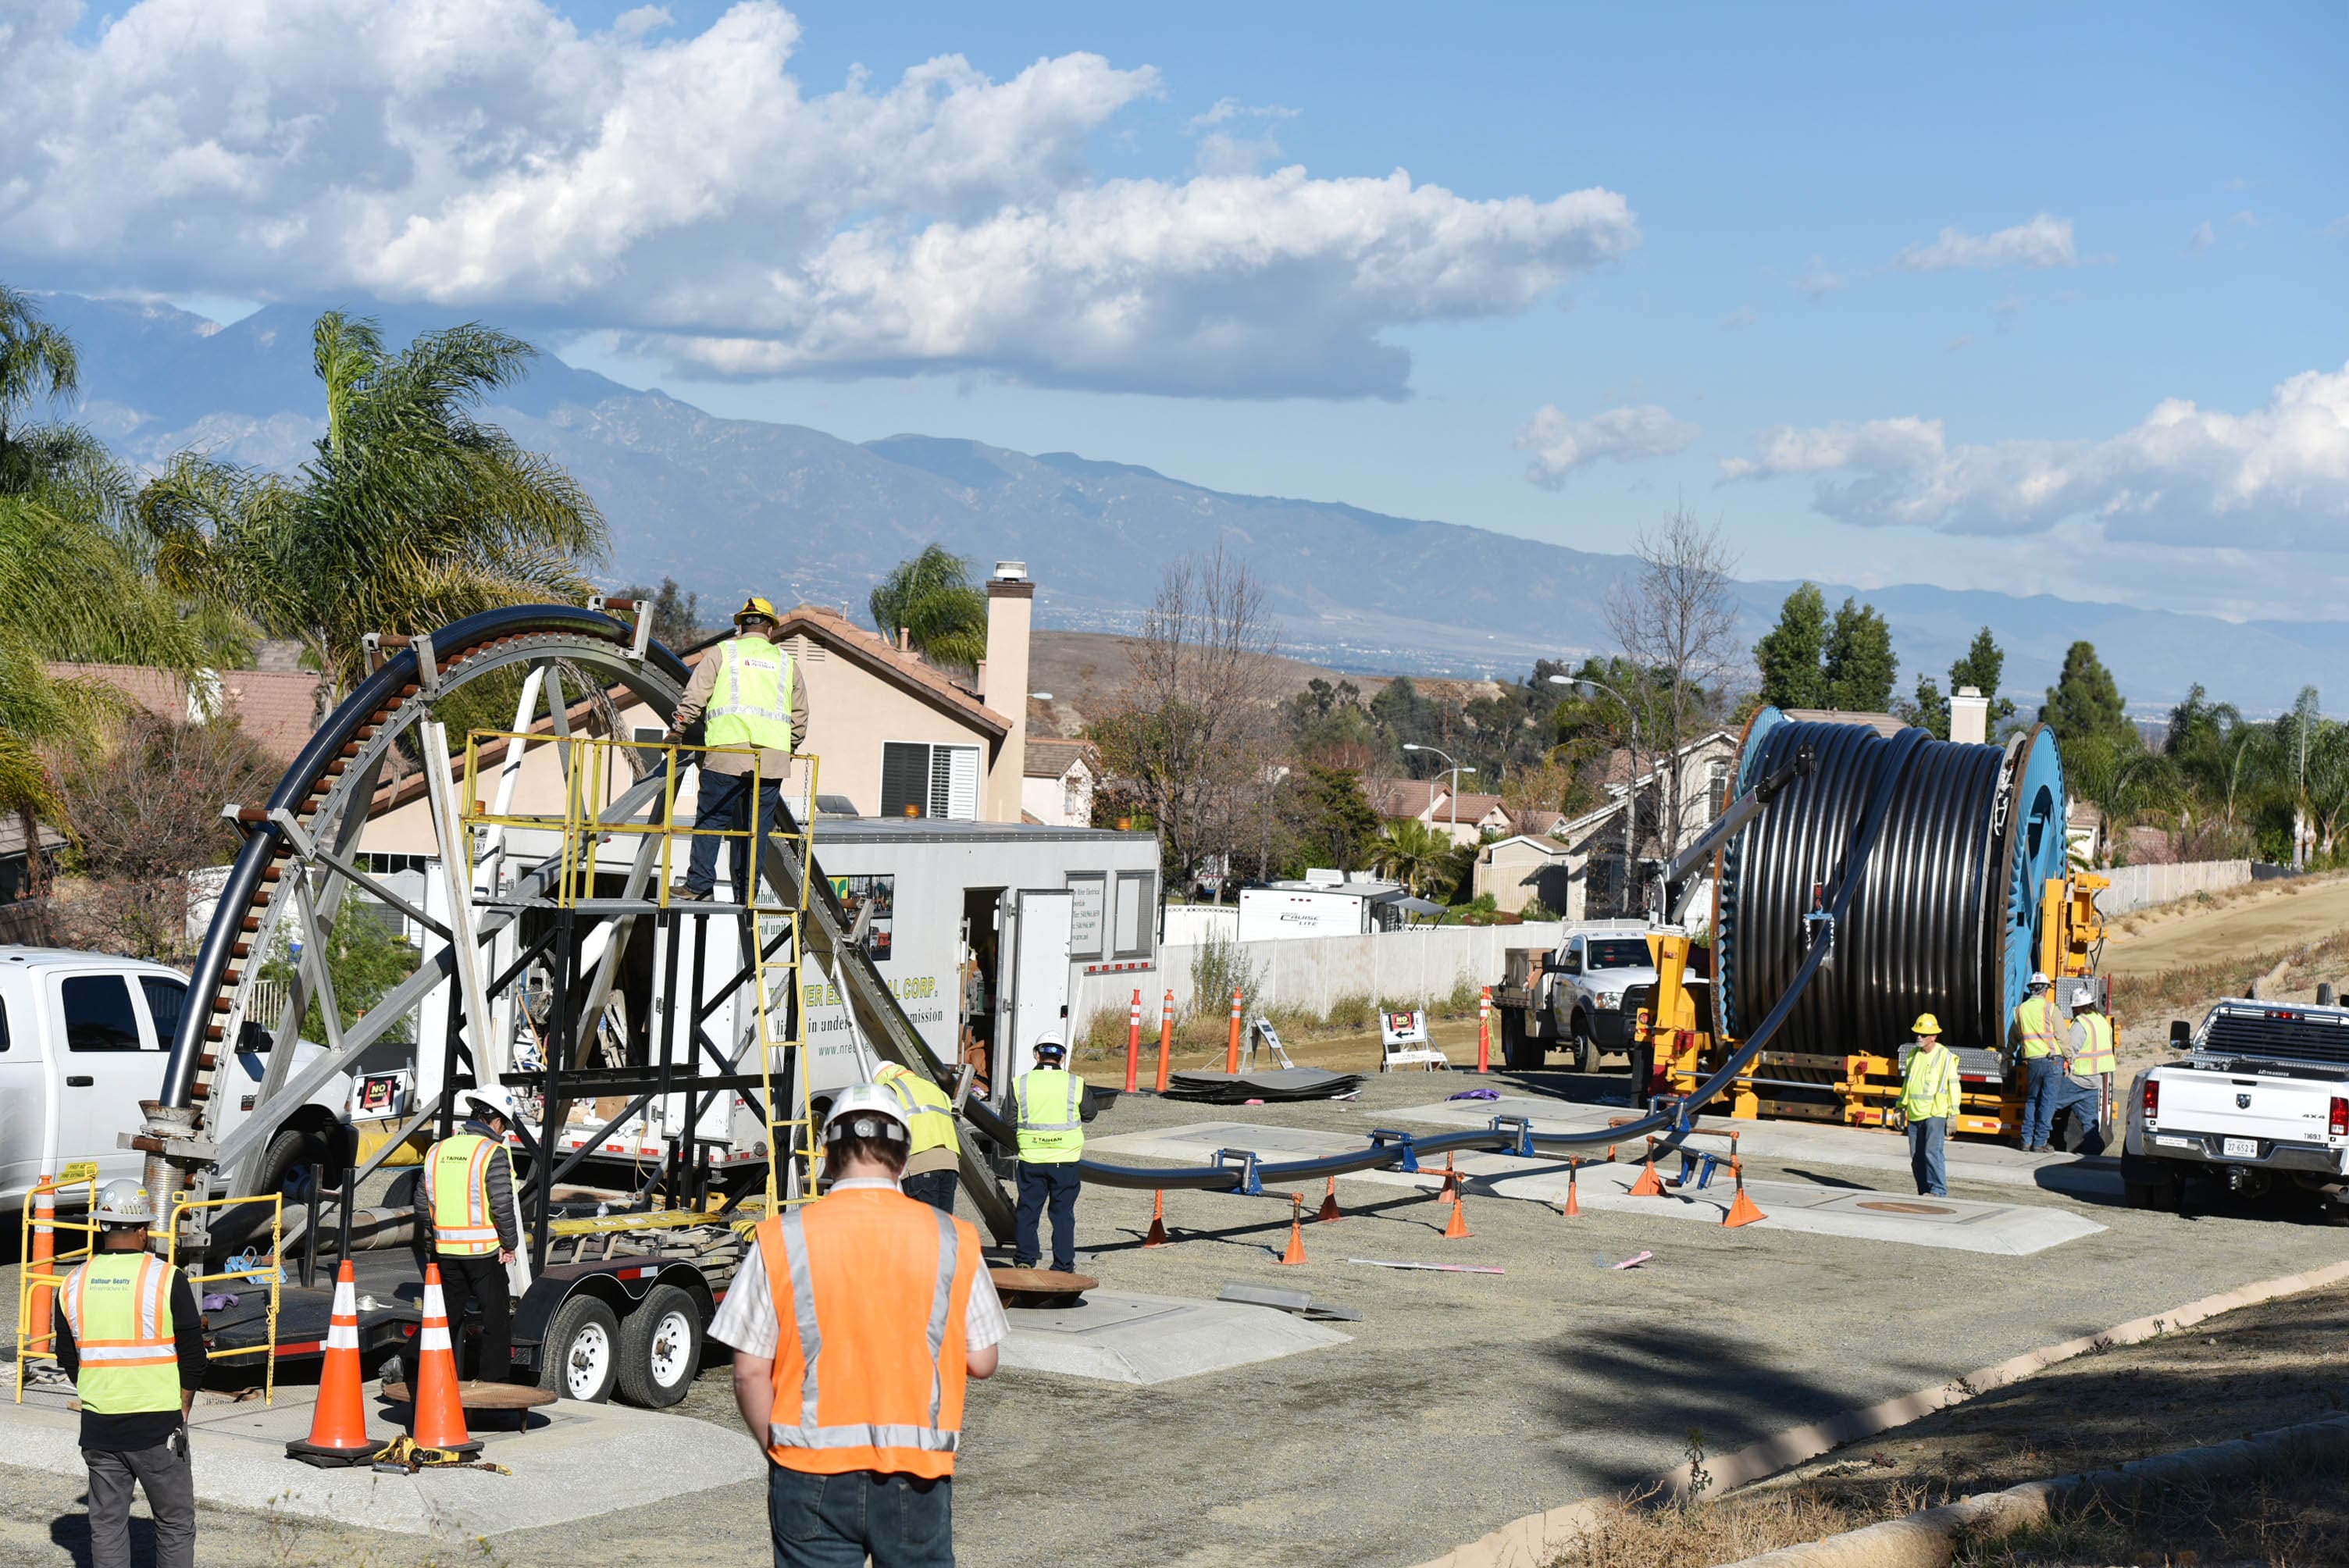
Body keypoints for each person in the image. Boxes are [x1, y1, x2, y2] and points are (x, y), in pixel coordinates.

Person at [710, 1085, 1004, 1568]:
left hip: (809, 1472)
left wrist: (782, 1453)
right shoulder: (954, 1238)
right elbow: (983, 1360)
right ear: (904, 1160)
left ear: (826, 1156)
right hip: (917, 1473)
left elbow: (748, 1372)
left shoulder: (781, 1238)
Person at [53, 1180, 206, 1568]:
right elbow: (193, 1356)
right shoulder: (166, 1278)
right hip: (159, 1426)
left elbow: (69, 1358)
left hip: (100, 1426)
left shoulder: (72, 1283)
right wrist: (183, 1408)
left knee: (106, 1525)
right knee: (174, 1523)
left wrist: (101, 1389)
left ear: (102, 1225)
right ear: (142, 1230)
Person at [668, 596, 809, 903]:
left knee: (712, 820)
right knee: (756, 829)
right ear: (770, 629)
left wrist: (679, 727)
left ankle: (698, 885)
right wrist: (789, 747)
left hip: (726, 755)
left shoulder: (723, 653)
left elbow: (696, 694)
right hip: (771, 760)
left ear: (741, 627)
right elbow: (800, 718)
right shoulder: (787, 664)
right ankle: (747, 894)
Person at [421, 1092, 522, 1382]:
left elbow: (421, 1202)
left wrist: (438, 1235)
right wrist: (509, 1244)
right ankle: (492, 1384)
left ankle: (431, 1376)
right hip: (483, 1254)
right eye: (504, 1127)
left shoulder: (437, 1151)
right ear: (496, 1121)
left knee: (446, 1318)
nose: (503, 1134)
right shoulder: (492, 1152)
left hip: (445, 1252)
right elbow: (502, 1204)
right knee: (497, 1320)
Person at [1012, 1039, 1085, 1274]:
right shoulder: (1075, 1083)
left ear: (1037, 1055)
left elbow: (1007, 1119)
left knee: (1028, 1212)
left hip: (1031, 1159)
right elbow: (1091, 1112)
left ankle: (1025, 1260)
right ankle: (1063, 1266)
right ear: (1062, 1057)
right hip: (1065, 1160)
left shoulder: (1020, 1083)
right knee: (1062, 1214)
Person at [875, 1060, 962, 1215]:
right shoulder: (932, 1087)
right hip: (950, 1163)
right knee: (944, 1227)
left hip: (920, 1164)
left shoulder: (891, 1089)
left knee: (925, 1229)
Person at [1898, 1014, 1959, 1198]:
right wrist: (1900, 1106)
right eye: (1918, 1033)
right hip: (1915, 1112)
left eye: (1924, 1034)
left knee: (1932, 1152)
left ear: (1934, 1037)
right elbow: (1908, 1083)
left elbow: (1953, 1085)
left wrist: (1953, 1114)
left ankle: (1938, 1191)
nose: (1919, 1037)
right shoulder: (1913, 1056)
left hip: (1935, 1112)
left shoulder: (1945, 1056)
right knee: (1917, 1158)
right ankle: (1924, 1191)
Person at [2046, 989, 2112, 1153]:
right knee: (2089, 1121)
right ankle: (2094, 1153)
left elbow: (2069, 1048)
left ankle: (2038, 1140)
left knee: (2049, 1103)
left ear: (2078, 1008)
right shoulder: (2102, 1021)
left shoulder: (2081, 1023)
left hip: (2078, 1078)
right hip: (2095, 1080)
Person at [2012, 971, 2067, 1152]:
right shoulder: (2051, 1009)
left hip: (2033, 1063)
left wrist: (2006, 1055)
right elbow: (2062, 1037)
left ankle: (2026, 1141)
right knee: (2048, 1102)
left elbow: (2014, 1038)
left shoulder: (2020, 1010)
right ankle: (2040, 1142)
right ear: (2045, 990)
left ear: (2031, 990)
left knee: (2032, 1100)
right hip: (2053, 1062)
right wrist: (2071, 1059)